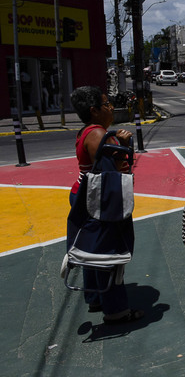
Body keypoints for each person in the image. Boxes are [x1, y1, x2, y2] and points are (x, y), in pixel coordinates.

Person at [69, 86, 144, 324]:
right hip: (98, 197)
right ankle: (116, 311)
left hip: (83, 193)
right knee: (108, 253)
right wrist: (122, 145)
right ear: (94, 111)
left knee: (91, 249)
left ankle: (95, 298)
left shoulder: (89, 131)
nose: (111, 107)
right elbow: (111, 173)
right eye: (106, 104)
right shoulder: (100, 136)